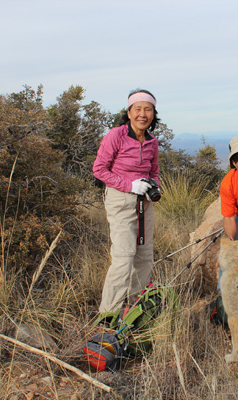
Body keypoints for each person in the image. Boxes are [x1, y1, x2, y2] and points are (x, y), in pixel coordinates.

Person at [92, 88, 160, 313]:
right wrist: (129, 185)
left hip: (144, 203)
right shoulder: (116, 135)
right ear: (129, 112)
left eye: (148, 109)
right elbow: (99, 170)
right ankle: (108, 315)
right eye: (138, 109)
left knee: (144, 255)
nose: (143, 114)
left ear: (153, 113)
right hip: (121, 200)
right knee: (124, 256)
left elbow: (154, 170)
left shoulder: (152, 141)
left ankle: (134, 311)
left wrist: (153, 185)